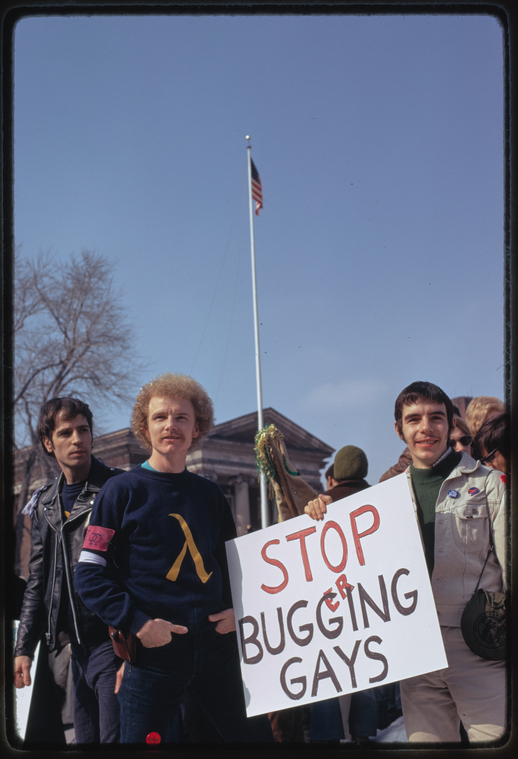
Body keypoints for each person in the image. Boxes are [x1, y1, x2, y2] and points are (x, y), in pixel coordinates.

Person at [74, 372, 273, 744]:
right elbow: (89, 574)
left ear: (197, 428)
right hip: (154, 658)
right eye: (160, 417)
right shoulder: (120, 492)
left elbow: (235, 567)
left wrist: (238, 611)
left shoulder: (212, 495)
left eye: (182, 417)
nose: (171, 426)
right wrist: (137, 622)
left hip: (217, 652)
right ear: (144, 428)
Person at [305, 381, 507, 744]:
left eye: (436, 418)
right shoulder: (382, 499)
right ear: (399, 429)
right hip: (416, 651)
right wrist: (320, 514)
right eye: (413, 419)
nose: (425, 427)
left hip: (479, 648)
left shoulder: (490, 485)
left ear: (450, 424)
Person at [14, 397, 123, 743]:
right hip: (76, 649)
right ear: (49, 443)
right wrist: (23, 649)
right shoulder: (45, 502)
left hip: (115, 642)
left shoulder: (118, 488)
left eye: (83, 430)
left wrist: (132, 644)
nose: (77, 439)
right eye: (66, 432)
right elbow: (37, 583)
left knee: (115, 740)